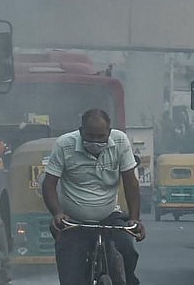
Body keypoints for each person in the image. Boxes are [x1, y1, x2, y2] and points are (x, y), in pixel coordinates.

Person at [43, 108, 145, 285]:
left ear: (109, 132)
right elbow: (49, 184)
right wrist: (57, 213)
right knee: (69, 266)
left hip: (110, 215)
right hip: (74, 220)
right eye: (91, 136)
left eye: (101, 137)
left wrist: (134, 219)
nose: (96, 141)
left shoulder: (120, 141)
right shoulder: (64, 144)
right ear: (81, 131)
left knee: (127, 249)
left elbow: (131, 183)